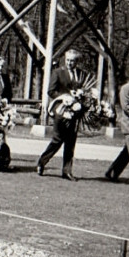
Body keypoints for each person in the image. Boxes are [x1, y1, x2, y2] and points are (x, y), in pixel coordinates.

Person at [35, 49, 86, 181]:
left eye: (72, 61)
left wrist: (82, 95)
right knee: (57, 140)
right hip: (60, 110)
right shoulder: (57, 72)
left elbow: (85, 91)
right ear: (65, 60)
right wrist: (63, 97)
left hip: (75, 112)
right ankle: (42, 162)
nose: (70, 63)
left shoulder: (81, 74)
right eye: (68, 60)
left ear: (76, 62)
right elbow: (51, 91)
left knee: (70, 142)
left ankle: (67, 171)